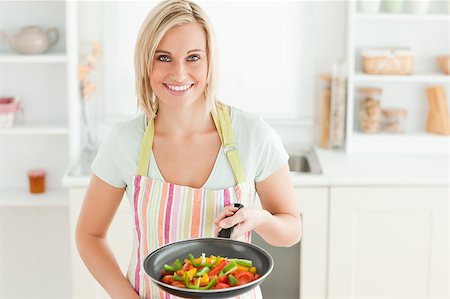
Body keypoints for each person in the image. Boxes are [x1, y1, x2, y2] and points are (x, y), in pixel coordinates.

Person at [75, 0, 302, 298]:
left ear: (210, 62)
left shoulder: (253, 135)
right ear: (146, 63)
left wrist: (260, 219)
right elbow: (89, 235)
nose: (179, 74)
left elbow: (291, 230)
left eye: (193, 57)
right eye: (164, 58)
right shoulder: (124, 141)